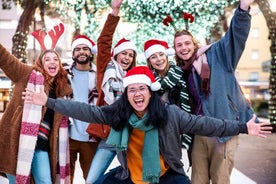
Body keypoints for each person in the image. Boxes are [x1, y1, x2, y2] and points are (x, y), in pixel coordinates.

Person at [23, 66, 272, 184]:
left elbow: (205, 124)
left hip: (165, 176)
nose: (137, 93)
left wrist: (242, 127)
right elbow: (85, 110)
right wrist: (48, 101)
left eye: (142, 88)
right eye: (132, 90)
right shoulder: (117, 114)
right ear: (127, 94)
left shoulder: (170, 114)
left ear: (150, 92)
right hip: (130, 177)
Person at [173, 0, 256, 183]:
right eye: (179, 45)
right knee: (198, 180)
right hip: (198, 133)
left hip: (223, 130)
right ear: (175, 50)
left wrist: (242, 9)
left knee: (220, 179)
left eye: (187, 43)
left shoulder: (217, 54)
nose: (184, 47)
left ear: (194, 43)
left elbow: (235, 37)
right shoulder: (182, 72)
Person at [0, 34, 72, 183]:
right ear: (40, 63)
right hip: (17, 141)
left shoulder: (62, 90)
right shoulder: (25, 74)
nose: (52, 62)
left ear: (59, 65)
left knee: (45, 181)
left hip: (42, 144)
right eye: (47, 59)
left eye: (55, 59)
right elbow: (5, 58)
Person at [86, 0, 137, 183]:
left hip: (131, 135)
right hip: (110, 133)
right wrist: (114, 12)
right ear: (116, 54)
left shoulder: (135, 77)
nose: (127, 57)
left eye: (131, 55)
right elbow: (104, 42)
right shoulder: (105, 68)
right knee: (92, 180)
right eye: (124, 53)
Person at [144, 39, 193, 149]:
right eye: (153, 57)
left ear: (166, 56)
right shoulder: (147, 80)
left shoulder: (179, 75)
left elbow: (187, 104)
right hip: (153, 128)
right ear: (149, 61)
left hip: (175, 127)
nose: (159, 59)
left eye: (161, 54)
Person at [65, 34, 99, 183]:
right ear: (73, 54)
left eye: (85, 48)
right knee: (64, 178)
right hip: (67, 135)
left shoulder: (100, 75)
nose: (81, 52)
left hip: (91, 136)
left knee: (92, 179)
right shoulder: (64, 74)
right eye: (77, 49)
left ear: (91, 52)